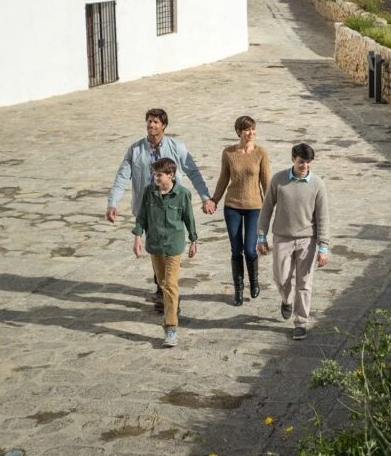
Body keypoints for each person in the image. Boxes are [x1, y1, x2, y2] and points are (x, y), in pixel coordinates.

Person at [107, 108, 214, 310]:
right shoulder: (136, 150)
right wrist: (113, 202)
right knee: (156, 249)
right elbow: (122, 176)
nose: (151, 125)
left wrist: (205, 197)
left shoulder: (177, 147)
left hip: (172, 207)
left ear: (164, 125)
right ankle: (161, 288)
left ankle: (169, 293)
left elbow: (193, 172)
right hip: (148, 209)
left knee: (171, 250)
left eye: (156, 122)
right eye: (149, 121)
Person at [257, 143, 330, 340]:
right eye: (300, 162)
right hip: (282, 237)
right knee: (281, 278)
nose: (304, 165)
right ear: (293, 159)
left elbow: (323, 217)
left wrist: (323, 246)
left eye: (307, 162)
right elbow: (266, 209)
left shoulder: (317, 184)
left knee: (304, 283)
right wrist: (261, 236)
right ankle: (286, 300)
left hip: (308, 240)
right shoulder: (278, 180)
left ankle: (301, 322)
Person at [131, 158, 197, 347]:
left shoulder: (183, 194)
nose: (155, 178)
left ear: (171, 175)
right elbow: (142, 216)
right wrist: (137, 237)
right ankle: (171, 305)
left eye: (159, 175)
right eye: (154, 174)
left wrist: (193, 240)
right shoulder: (149, 192)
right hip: (155, 246)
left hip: (174, 246)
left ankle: (171, 328)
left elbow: (189, 218)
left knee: (169, 285)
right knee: (162, 283)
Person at [209, 115, 270, 306]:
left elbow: (266, 182)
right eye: (247, 130)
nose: (251, 133)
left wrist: (271, 206)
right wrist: (214, 200)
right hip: (232, 206)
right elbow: (223, 179)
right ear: (238, 132)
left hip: (255, 207)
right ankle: (238, 290)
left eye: (253, 129)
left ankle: (254, 281)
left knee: (250, 250)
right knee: (236, 250)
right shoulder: (228, 153)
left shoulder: (261, 153)